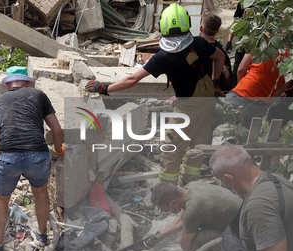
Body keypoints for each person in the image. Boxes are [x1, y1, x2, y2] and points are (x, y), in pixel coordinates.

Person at [86, 4, 224, 187]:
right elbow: (220, 57)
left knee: (171, 149)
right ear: (188, 25)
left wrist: (104, 88)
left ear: (163, 29)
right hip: (208, 103)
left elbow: (132, 79)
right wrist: (214, 81)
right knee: (196, 147)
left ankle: (167, 193)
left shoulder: (164, 57)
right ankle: (190, 186)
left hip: (188, 109)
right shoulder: (200, 43)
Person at [0, 66, 64, 251]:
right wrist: (58, 149)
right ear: (28, 83)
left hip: (8, 157)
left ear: (8, 85)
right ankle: (42, 236)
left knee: (1, 199)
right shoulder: (39, 95)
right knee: (40, 192)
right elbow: (57, 131)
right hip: (37, 155)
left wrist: (7, 157)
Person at [147, 181, 242, 251]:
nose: (166, 212)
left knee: (196, 240)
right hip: (242, 213)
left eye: (165, 209)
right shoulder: (190, 187)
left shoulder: (193, 209)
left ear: (173, 203)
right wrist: (159, 236)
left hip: (242, 234)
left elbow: (185, 245)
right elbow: (181, 220)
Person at [200, 14, 236, 94]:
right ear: (217, 31)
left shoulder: (196, 50)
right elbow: (227, 77)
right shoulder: (221, 52)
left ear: (200, 28)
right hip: (217, 92)